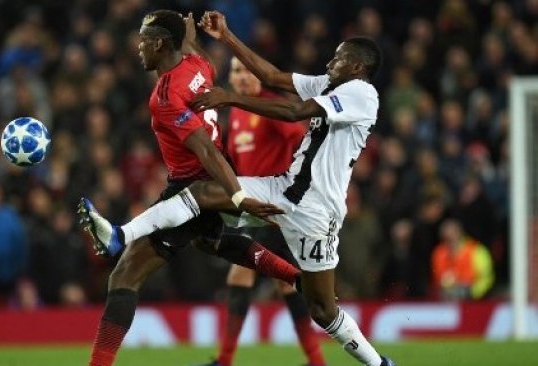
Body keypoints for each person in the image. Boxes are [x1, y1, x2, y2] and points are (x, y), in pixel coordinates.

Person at [81, 11, 395, 366]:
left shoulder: (362, 94)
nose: (330, 60)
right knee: (203, 201)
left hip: (315, 208)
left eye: (338, 57)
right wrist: (226, 36)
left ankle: (378, 363)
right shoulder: (329, 84)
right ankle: (120, 234)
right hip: (284, 189)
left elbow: (295, 113)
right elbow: (272, 76)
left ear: (356, 66)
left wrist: (230, 98)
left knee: (323, 311)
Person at [78, 11, 302, 366]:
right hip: (208, 180)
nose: (138, 47)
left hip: (192, 188)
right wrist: (190, 37)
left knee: (124, 275)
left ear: (159, 43)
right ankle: (296, 277)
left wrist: (238, 197)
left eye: (143, 40)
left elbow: (206, 150)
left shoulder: (165, 95)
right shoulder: (200, 64)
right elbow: (199, 58)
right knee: (212, 241)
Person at [197, 57, 325, 366]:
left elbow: (305, 142)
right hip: (256, 211)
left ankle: (225, 360)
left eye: (245, 71)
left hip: (274, 209)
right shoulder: (239, 113)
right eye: (235, 72)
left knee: (240, 273)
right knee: (285, 284)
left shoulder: (271, 110)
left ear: (258, 76)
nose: (240, 77)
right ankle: (317, 361)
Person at [431, 218, 494, 300]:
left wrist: (471, 292)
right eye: (446, 238)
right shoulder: (438, 253)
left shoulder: (477, 251)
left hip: (474, 300)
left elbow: (486, 278)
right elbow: (437, 278)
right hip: (447, 300)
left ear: (460, 233)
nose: (451, 240)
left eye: (453, 235)